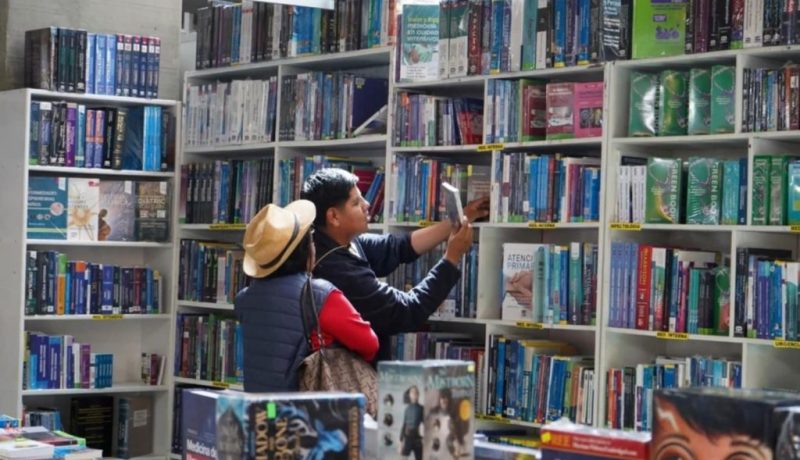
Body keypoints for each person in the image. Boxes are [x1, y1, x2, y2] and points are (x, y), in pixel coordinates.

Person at [301, 168, 489, 359]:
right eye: (356, 203)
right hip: (353, 380)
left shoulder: (340, 242)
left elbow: (399, 247)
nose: (367, 205)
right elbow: (407, 311)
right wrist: (451, 258)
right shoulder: (338, 271)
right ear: (334, 217)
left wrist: (458, 219)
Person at [234, 200, 379, 392]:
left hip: (263, 410)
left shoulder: (244, 299)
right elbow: (369, 344)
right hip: (302, 412)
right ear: (306, 251)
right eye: (311, 240)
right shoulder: (320, 295)